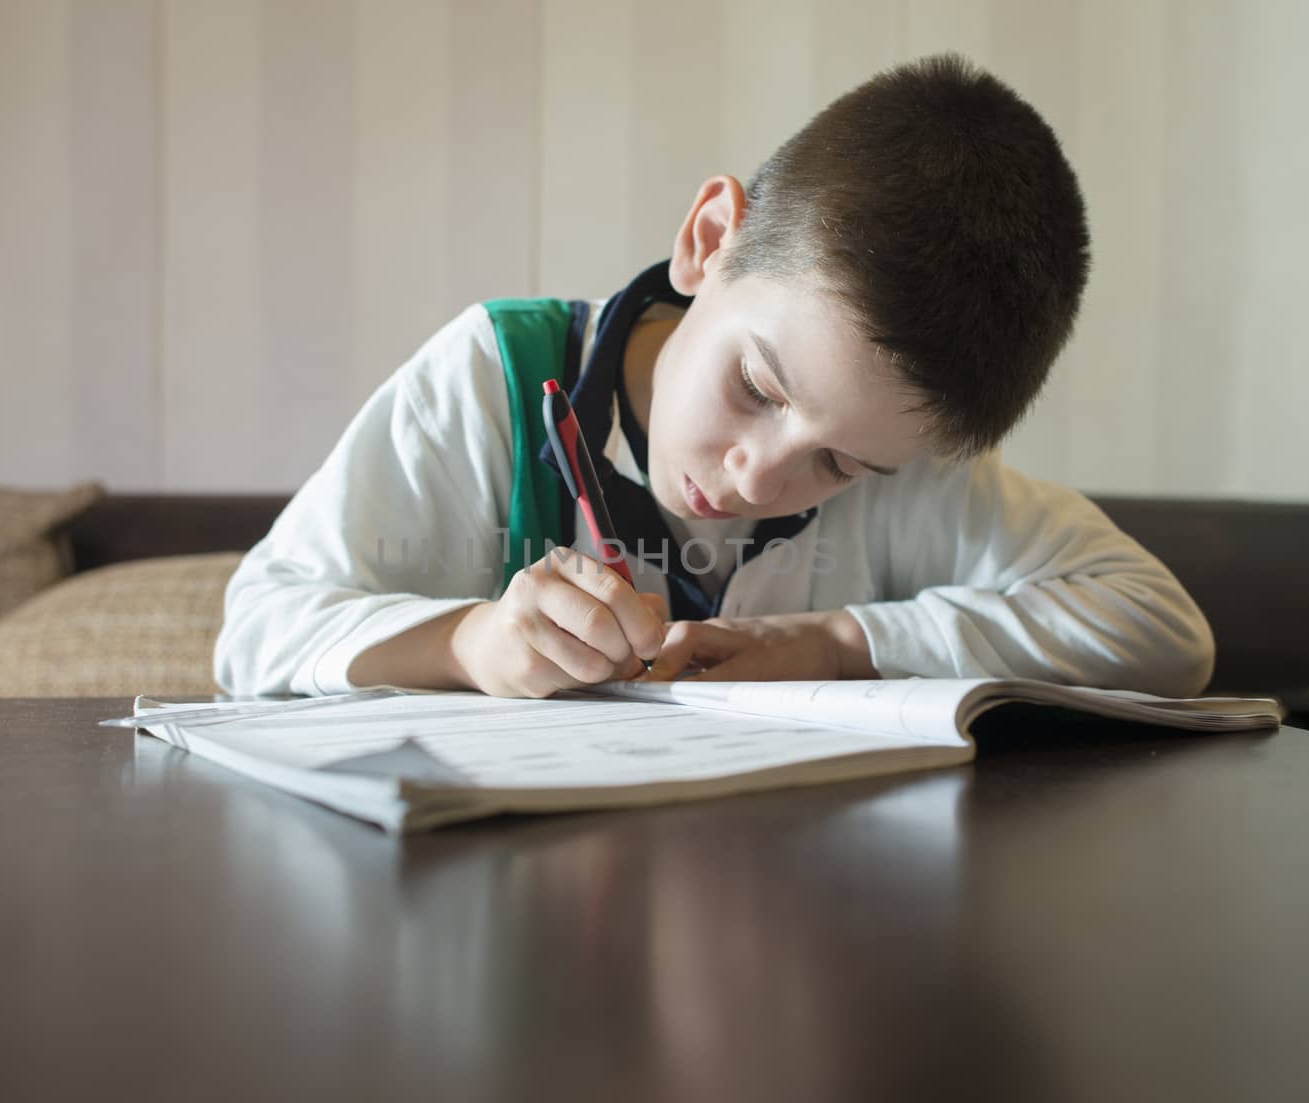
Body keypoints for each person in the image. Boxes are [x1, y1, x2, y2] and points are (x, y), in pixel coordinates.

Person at [214, 53, 1215, 701]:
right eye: (758, 387)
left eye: (837, 463)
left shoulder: (905, 455)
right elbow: (255, 631)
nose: (754, 479)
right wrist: (467, 643)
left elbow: (1161, 627)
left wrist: (837, 639)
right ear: (707, 242)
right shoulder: (496, 377)